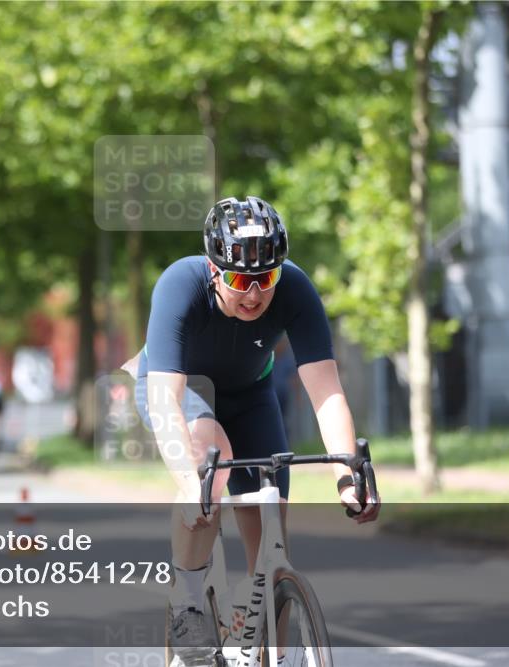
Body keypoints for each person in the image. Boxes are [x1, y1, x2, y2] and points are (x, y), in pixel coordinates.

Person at [126, 196, 380, 666]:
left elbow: (326, 392)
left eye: (266, 278)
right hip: (182, 391)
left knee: (271, 538)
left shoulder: (295, 289)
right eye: (241, 279)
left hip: (250, 395)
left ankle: (273, 654)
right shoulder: (180, 285)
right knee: (211, 466)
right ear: (213, 268)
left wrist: (349, 475)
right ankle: (187, 604)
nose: (255, 294)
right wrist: (190, 481)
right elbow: (165, 398)